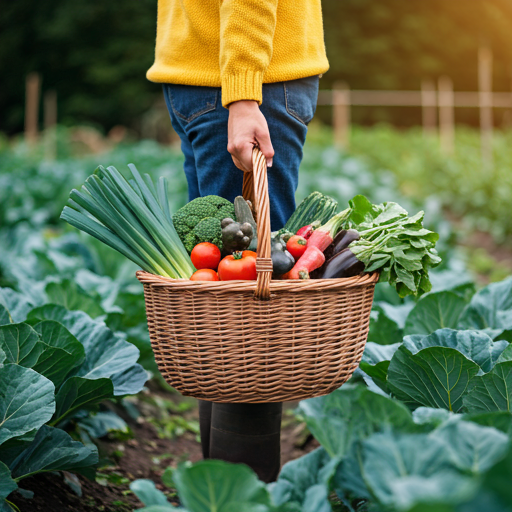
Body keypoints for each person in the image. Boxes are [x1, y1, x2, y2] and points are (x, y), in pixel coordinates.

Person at [147, 0, 329, 483]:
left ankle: (221, 487)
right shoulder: (245, 91)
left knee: (220, 294)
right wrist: (244, 94)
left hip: (196, 69)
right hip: (249, 80)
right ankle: (243, 491)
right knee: (254, 301)